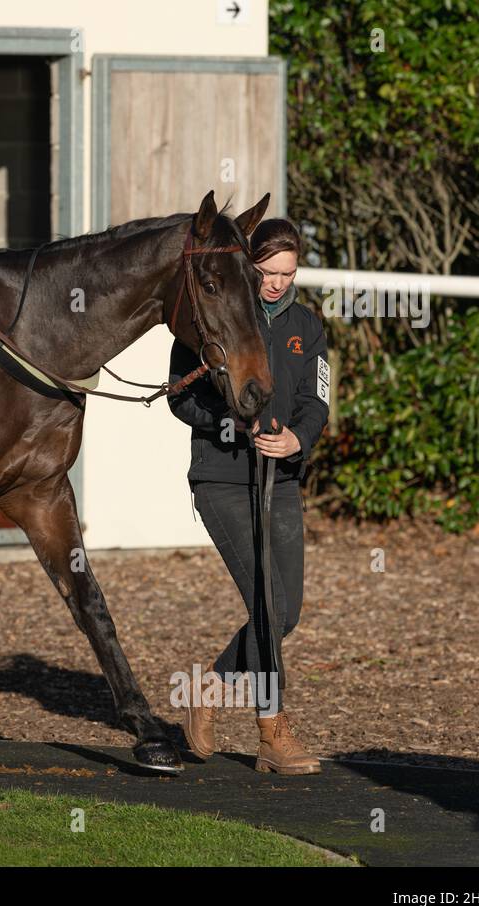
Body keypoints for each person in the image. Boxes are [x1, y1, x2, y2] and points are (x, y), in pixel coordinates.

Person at [167, 218, 330, 774]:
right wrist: (228, 425)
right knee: (267, 602)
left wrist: (296, 438)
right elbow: (179, 397)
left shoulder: (308, 328)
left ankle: (206, 691)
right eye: (267, 272)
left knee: (287, 611)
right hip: (223, 480)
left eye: (288, 273)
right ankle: (273, 732)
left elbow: (318, 401)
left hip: (280, 479)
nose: (278, 283)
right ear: (248, 265)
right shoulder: (211, 316)